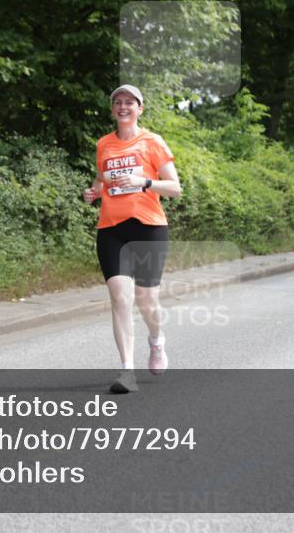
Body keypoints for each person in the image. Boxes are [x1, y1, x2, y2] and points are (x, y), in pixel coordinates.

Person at [83, 85, 181, 394]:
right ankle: (127, 371)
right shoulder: (104, 144)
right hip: (112, 228)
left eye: (130, 102)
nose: (123, 107)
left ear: (140, 109)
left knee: (145, 299)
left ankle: (156, 340)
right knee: (119, 297)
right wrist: (93, 192)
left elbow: (175, 188)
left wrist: (144, 181)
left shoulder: (153, 142)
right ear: (112, 110)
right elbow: (102, 179)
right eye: (118, 102)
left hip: (148, 228)